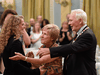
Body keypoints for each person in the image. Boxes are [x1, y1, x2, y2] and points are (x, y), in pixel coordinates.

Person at [36, 9, 97, 75]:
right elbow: (69, 50)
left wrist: (50, 50)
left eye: (71, 20)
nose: (69, 23)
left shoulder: (87, 35)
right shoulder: (81, 33)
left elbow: (72, 48)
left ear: (80, 21)